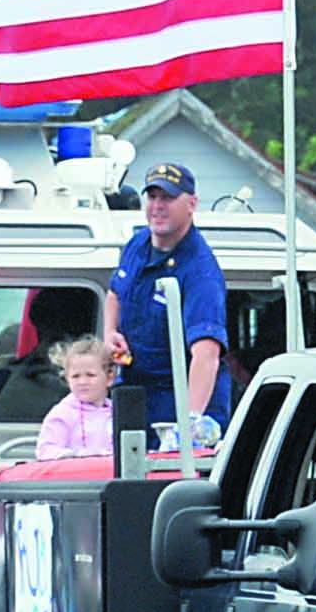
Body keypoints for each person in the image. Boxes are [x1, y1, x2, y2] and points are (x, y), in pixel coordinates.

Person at [101, 163, 231, 440]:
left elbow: (207, 355)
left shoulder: (200, 271)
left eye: (168, 198)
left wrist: (189, 422)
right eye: (153, 197)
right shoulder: (137, 244)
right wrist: (110, 333)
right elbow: (114, 294)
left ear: (192, 204)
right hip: (135, 394)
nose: (158, 206)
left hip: (180, 399)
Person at [32, 337, 118, 460]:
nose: (82, 382)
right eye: (75, 376)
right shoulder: (62, 413)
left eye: (90, 375)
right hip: (76, 476)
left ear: (110, 377)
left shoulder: (119, 411)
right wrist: (77, 456)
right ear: (67, 379)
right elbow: (45, 451)